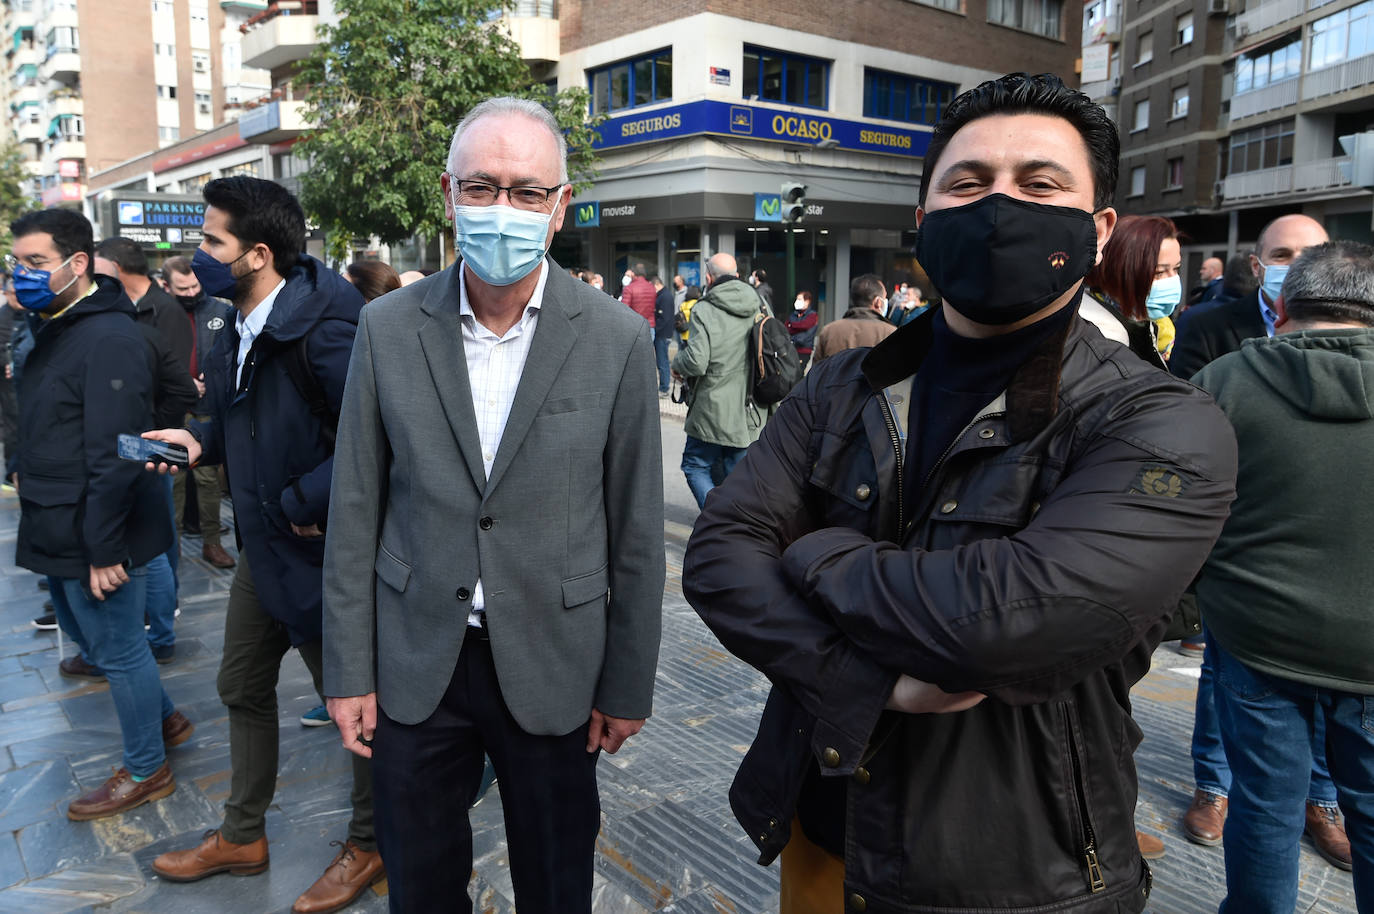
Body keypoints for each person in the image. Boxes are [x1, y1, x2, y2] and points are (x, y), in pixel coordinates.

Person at [681, 72, 1239, 914]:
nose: (998, 206)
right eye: (969, 183)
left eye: (1039, 184)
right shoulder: (840, 386)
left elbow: (1017, 622)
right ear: (924, 219)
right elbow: (721, 557)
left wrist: (816, 552)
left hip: (1014, 875)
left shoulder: (1161, 421)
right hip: (822, 827)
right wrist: (861, 683)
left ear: (1099, 230)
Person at [321, 96, 664, 914]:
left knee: (556, 883)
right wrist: (348, 669)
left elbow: (637, 532)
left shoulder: (616, 338)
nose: (501, 209)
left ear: (560, 205)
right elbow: (356, 507)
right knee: (423, 887)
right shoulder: (387, 326)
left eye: (526, 191)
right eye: (481, 188)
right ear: (448, 195)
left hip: (556, 661)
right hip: (415, 665)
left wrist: (628, 683)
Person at [143, 177, 382, 914]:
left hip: (319, 557)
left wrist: (303, 503)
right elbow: (245, 421)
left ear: (256, 253)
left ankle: (372, 841)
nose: (196, 256)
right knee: (241, 687)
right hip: (264, 550)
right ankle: (242, 835)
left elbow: (381, 439)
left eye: (212, 242)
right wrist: (199, 439)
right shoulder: (227, 322)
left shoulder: (328, 327)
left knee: (355, 710)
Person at [1191, 240, 1374, 911]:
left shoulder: (1225, 383)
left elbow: (1185, 509)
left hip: (1257, 635)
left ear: (1283, 303)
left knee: (1264, 809)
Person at [8, 208, 190, 819]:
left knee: (119, 651)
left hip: (98, 525)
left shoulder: (108, 336)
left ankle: (146, 769)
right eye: (17, 262)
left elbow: (116, 451)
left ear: (76, 263)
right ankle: (167, 721)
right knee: (91, 639)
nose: (22, 274)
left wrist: (104, 548)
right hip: (55, 513)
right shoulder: (51, 323)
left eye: (36, 263)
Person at [672, 252, 769, 508]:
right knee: (735, 474)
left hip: (712, 408)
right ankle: (735, 525)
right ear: (737, 275)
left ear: (708, 277)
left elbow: (696, 361)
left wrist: (676, 364)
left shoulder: (704, 308)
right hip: (750, 409)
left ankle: (719, 521)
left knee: (694, 464)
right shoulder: (759, 304)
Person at [163, 255, 236, 571]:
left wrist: (212, 377)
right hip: (173, 408)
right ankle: (172, 545)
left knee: (207, 481)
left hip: (208, 407)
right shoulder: (160, 315)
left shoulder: (221, 311)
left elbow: (232, 355)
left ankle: (212, 542)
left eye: (194, 285)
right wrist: (182, 382)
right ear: (167, 286)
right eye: (183, 288)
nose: (191, 293)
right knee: (173, 480)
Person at [1084, 215, 1183, 361]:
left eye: (1176, 269)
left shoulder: (1162, 329)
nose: (1173, 280)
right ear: (1120, 271)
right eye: (1159, 272)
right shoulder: (1090, 334)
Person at [811, 273, 895, 362]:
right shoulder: (890, 333)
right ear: (878, 302)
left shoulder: (829, 331)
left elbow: (816, 371)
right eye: (885, 297)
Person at [653, 274, 675, 395]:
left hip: (662, 334)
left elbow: (664, 318)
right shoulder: (663, 295)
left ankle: (664, 388)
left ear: (657, 284)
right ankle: (664, 386)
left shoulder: (664, 297)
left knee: (662, 362)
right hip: (663, 333)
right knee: (662, 361)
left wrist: (656, 330)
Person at [786, 291, 820, 371]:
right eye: (797, 299)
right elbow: (786, 328)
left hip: (804, 350)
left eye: (800, 299)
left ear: (807, 301)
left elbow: (805, 325)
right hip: (791, 348)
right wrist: (794, 327)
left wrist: (792, 325)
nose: (797, 302)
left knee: (798, 373)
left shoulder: (812, 315)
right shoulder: (793, 314)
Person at [619, 262, 655, 328]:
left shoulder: (629, 288)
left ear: (633, 274)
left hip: (635, 326)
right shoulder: (652, 287)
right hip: (649, 325)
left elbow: (624, 309)